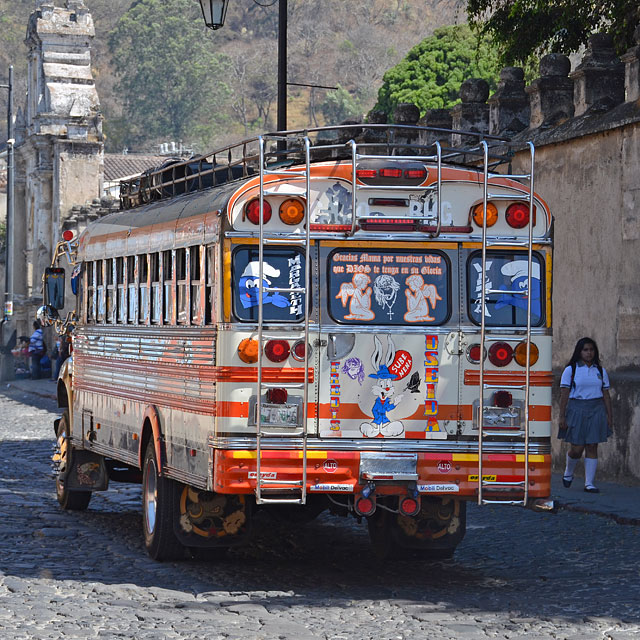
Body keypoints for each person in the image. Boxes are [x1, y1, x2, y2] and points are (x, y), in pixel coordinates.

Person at [558, 337, 613, 493]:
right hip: (577, 408)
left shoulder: (600, 371)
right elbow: (564, 394)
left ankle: (589, 483)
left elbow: (606, 394)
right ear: (579, 352)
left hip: (596, 409)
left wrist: (610, 416)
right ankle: (569, 472)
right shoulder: (571, 370)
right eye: (585, 350)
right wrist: (562, 416)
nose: (589, 353)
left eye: (591, 350)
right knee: (577, 448)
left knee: (592, 444)